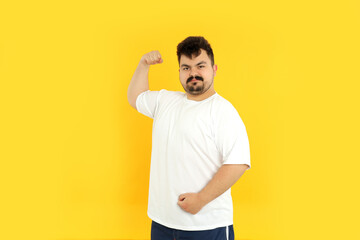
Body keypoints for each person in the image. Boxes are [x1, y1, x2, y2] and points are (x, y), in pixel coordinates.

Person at [127, 36, 251, 240]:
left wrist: (201, 199)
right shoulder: (165, 101)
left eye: (200, 66)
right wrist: (143, 65)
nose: (193, 73)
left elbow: (238, 164)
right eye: (186, 68)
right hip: (162, 224)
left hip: (206, 226)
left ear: (214, 69)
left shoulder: (223, 111)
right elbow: (135, 97)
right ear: (179, 72)